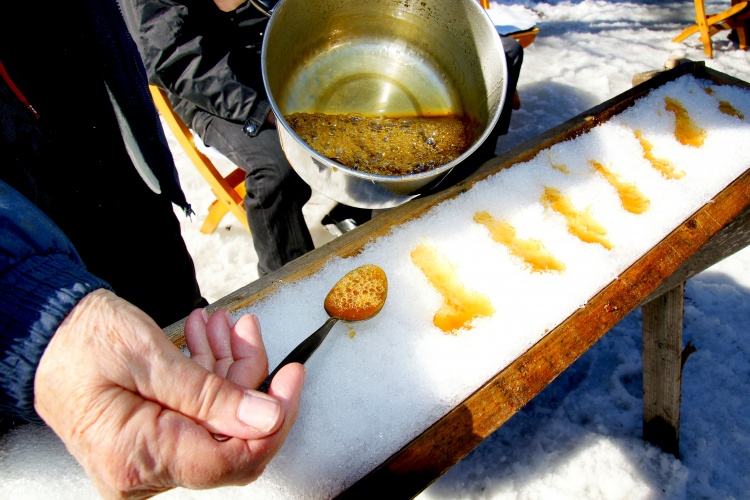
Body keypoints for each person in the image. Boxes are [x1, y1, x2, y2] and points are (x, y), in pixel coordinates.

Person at [0, 0, 304, 495]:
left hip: (121, 170)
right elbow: (169, 47)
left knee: (186, 323)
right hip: (26, 352)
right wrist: (28, 315)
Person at [120, 0, 317, 277]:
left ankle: (360, 216)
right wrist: (258, 108)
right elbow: (173, 59)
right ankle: (286, 280)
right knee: (276, 166)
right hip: (210, 87)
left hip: (271, 49)